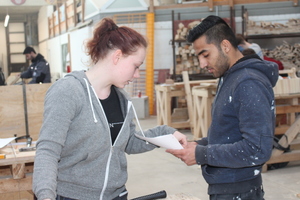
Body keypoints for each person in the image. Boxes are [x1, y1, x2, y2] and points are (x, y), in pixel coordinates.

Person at [32, 18, 187, 200]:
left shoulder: (122, 99)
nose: (137, 75)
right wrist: (45, 196)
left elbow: (128, 142)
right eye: (136, 66)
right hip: (71, 196)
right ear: (117, 56)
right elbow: (48, 150)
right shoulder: (68, 92)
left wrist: (166, 134)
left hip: (116, 195)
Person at [166, 15, 279, 200]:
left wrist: (201, 154)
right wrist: (199, 145)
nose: (202, 64)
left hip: (239, 191)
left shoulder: (248, 82)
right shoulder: (230, 77)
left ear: (225, 46)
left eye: (206, 55)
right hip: (226, 187)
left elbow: (257, 148)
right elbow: (230, 132)